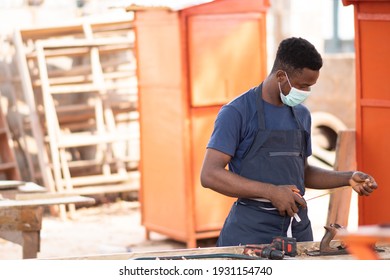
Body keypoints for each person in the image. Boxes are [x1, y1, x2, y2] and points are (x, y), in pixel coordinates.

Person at [200, 37, 378, 247]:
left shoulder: (302, 115)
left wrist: (348, 178)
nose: (306, 93)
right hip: (250, 233)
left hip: (297, 230)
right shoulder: (237, 112)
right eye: (302, 86)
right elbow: (210, 174)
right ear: (281, 76)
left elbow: (302, 173)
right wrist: (271, 192)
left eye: (310, 87)